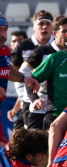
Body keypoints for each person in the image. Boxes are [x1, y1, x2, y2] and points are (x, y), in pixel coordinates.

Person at [16, 15, 67, 167]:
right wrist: (34, 99)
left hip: (62, 111)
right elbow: (26, 78)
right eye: (65, 31)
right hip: (38, 109)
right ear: (57, 33)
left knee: (58, 156)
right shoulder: (41, 52)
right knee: (38, 154)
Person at [0, 13, 40, 148]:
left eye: (5, 30)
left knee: (7, 149)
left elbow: (8, 70)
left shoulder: (4, 50)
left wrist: (25, 78)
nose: (3, 35)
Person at [11, 10, 54, 130]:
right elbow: (14, 71)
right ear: (34, 27)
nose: (44, 26)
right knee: (30, 135)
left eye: (48, 23)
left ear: (52, 27)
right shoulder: (23, 45)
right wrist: (22, 95)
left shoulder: (57, 46)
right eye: (41, 23)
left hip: (52, 99)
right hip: (28, 98)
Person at [7, 30, 28, 129]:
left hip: (35, 108)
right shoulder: (12, 63)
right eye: (14, 41)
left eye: (20, 40)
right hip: (25, 108)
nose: (17, 44)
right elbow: (23, 93)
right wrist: (15, 109)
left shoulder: (31, 62)